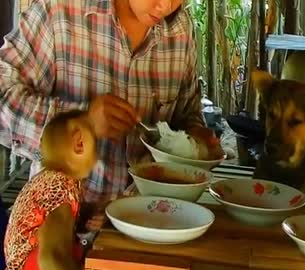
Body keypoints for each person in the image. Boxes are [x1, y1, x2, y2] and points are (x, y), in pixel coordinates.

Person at [0, 0, 222, 207]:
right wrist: (83, 123)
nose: (165, 6)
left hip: (154, 222)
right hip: (63, 229)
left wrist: (196, 139)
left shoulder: (181, 30)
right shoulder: (59, 11)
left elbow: (187, 112)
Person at [4, 110, 97, 270]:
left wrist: (93, 214)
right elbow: (51, 257)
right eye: (95, 142)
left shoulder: (50, 179)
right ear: (79, 143)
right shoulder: (61, 189)